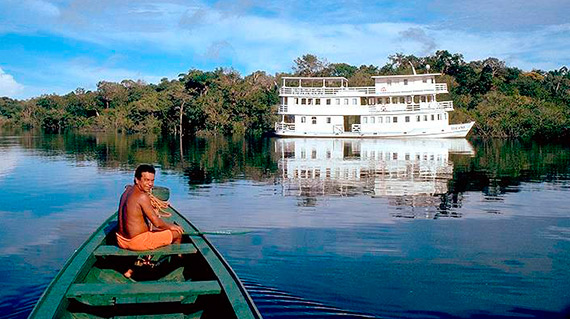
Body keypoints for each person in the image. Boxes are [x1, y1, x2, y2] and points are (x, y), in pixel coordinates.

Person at [116, 164, 184, 251]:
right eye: (146, 180)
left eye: (152, 180)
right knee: (177, 233)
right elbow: (157, 223)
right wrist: (171, 226)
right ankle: (177, 259)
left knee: (155, 230)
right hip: (136, 242)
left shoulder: (126, 192)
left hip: (121, 240)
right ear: (137, 180)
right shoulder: (142, 196)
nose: (150, 184)